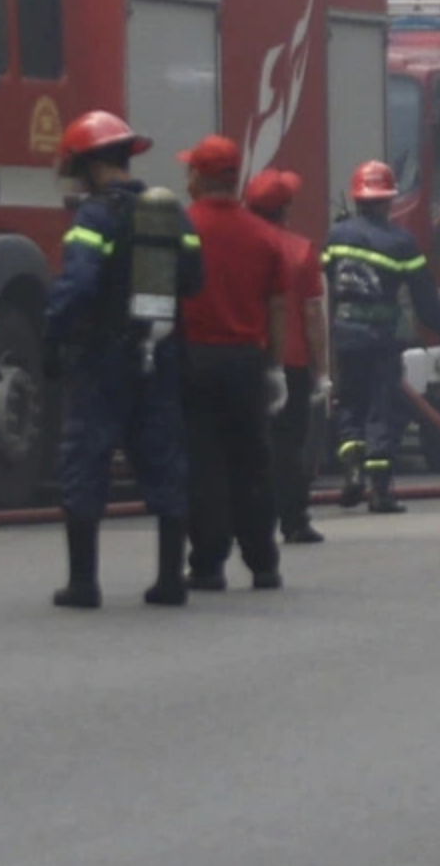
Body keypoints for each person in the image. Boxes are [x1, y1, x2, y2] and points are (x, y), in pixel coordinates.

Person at [42, 110, 199, 610]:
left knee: (86, 458)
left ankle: (83, 583)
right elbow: (195, 280)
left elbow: (79, 286)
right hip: (160, 351)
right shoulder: (172, 213)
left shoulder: (93, 217)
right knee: (163, 460)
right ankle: (170, 579)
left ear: (88, 165)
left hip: (101, 357)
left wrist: (52, 336)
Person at [178, 137, 288, 593]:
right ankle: (263, 562)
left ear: (199, 178)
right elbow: (277, 306)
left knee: (203, 464)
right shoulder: (264, 236)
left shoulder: (182, 229)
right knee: (251, 462)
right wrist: (276, 368)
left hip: (193, 358)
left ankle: (207, 565)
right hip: (246, 362)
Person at [324, 160, 440, 513]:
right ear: (388, 200)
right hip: (381, 339)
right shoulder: (400, 242)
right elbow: (425, 297)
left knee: (348, 403)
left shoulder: (337, 236)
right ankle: (380, 492)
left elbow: (329, 273)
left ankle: (351, 474)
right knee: (380, 408)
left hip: (345, 335)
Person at [245, 167, 330, 547]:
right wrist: (323, 370)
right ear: (286, 209)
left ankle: (244, 521)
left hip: (244, 357)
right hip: (291, 362)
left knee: (243, 443)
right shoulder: (301, 250)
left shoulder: (238, 244)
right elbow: (313, 315)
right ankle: (294, 521)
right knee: (288, 445)